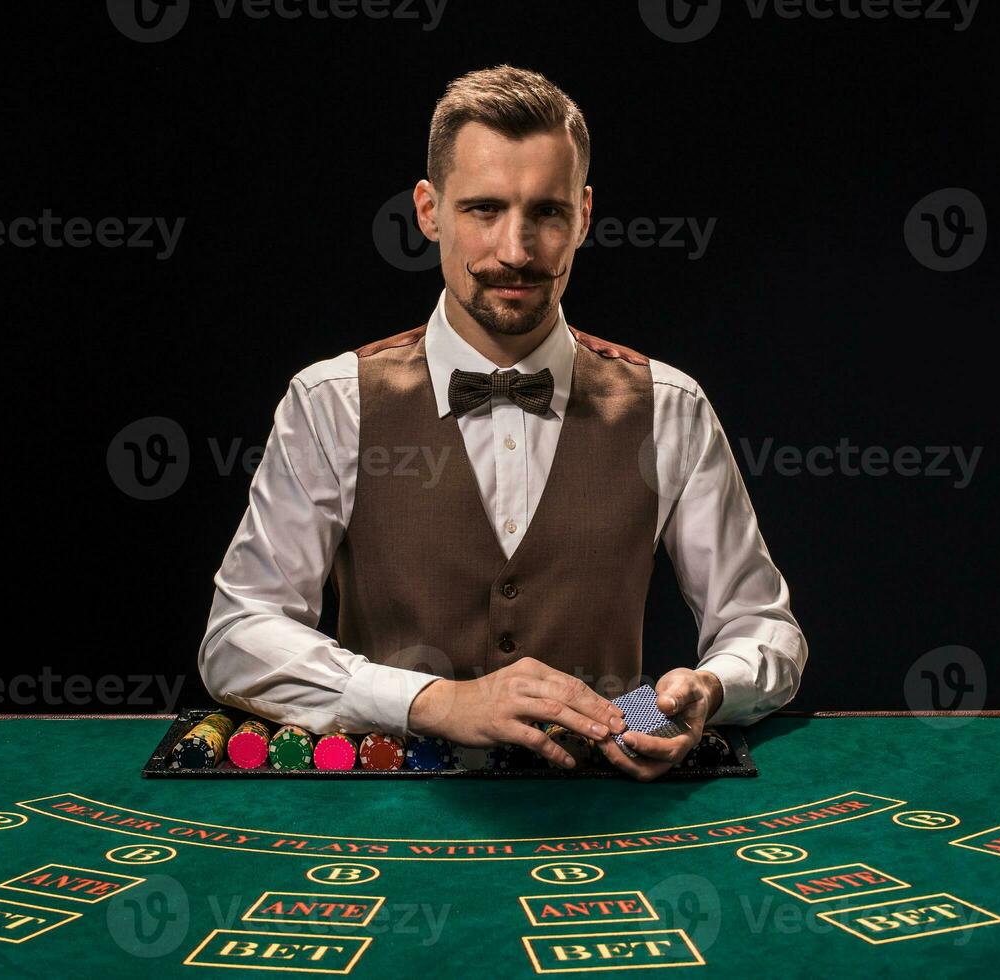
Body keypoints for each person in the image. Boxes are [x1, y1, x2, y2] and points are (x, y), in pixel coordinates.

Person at [199, 64, 806, 781]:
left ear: (582, 215)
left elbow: (764, 629)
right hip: (386, 816)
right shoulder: (331, 401)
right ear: (428, 211)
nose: (516, 251)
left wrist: (710, 688)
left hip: (608, 817)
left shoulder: (670, 406)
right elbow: (237, 639)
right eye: (483, 210)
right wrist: (430, 699)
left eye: (546, 213)